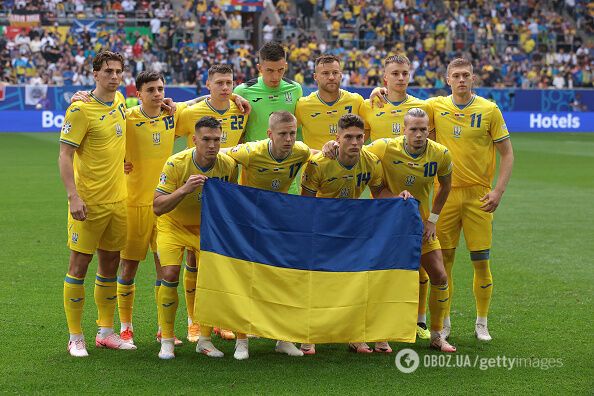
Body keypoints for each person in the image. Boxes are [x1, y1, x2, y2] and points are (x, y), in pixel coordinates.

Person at [301, 114, 409, 355]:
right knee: (318, 282)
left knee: (356, 281)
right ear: (337, 138)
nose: (355, 142)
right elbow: (306, 203)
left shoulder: (370, 161)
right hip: (323, 229)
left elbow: (379, 190)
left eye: (359, 137)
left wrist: (398, 198)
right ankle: (309, 335)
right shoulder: (319, 164)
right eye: (348, 137)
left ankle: (355, 336)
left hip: (353, 228)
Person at [426, 58, 514, 341]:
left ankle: (482, 322)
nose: (461, 80)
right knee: (445, 262)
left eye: (466, 75)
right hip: (446, 195)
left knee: (481, 261)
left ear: (473, 78)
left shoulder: (489, 110)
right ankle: (446, 321)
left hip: (479, 196)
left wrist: (498, 191)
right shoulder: (435, 106)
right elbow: (401, 102)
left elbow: (507, 153)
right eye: (456, 76)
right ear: (447, 79)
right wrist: (379, 91)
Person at [59, 50, 134, 357]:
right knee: (79, 266)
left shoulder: (120, 102)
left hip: (118, 201)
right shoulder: (80, 109)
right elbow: (64, 155)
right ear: (95, 75)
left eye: (118, 71)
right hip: (88, 204)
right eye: (107, 71)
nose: (114, 76)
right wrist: (73, 196)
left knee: (110, 265)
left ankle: (105, 331)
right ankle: (75, 336)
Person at [222, 111, 313, 359]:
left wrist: (330, 146)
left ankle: (284, 339)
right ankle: (242, 341)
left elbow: (316, 154)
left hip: (279, 222)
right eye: (283, 134)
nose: (288, 139)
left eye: (292, 133)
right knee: (247, 280)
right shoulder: (251, 151)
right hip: (248, 223)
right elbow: (219, 154)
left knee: (284, 278)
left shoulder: (301, 151)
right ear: (269, 134)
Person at [365, 108, 456, 352]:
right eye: (413, 129)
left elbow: (446, 186)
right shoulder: (384, 147)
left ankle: (437, 335)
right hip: (388, 227)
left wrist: (433, 220)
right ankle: (380, 335)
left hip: (421, 226)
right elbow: (355, 154)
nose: (418, 134)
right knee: (384, 280)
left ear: (429, 130)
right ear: (403, 130)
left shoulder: (440, 154)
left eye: (423, 129)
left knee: (440, 275)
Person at [153, 116, 238, 359]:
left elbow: (230, 200)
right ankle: (167, 340)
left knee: (208, 281)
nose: (212, 145)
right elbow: (157, 207)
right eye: (206, 140)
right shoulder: (176, 163)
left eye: (216, 139)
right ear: (194, 140)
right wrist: (184, 189)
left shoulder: (228, 165)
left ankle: (205, 339)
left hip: (206, 229)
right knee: (169, 275)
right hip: (173, 226)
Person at [361, 54, 433, 339]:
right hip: (380, 197)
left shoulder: (423, 107)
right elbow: (358, 142)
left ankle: (420, 320)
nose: (401, 78)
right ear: (385, 77)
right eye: (395, 73)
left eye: (405, 73)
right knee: (381, 263)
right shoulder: (369, 106)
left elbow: (432, 151)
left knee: (420, 262)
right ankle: (377, 324)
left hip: (416, 197)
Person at [116, 71, 188, 346]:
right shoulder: (127, 117)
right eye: (151, 90)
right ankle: (125, 327)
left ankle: (163, 329)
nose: (157, 94)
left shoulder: (172, 114)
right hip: (133, 203)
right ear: (139, 93)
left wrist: (237, 95)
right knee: (128, 266)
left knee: (166, 269)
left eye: (160, 89)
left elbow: (200, 102)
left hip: (165, 205)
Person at [233, 42, 302, 143]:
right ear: (259, 68)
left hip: (287, 156)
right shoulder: (242, 91)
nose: (275, 76)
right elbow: (237, 132)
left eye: (280, 70)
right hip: (254, 156)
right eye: (269, 70)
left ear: (285, 66)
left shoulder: (295, 89)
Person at [295, 54, 364, 151]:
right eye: (325, 73)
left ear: (341, 75)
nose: (331, 77)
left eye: (335, 73)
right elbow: (287, 135)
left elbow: (368, 130)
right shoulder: (302, 105)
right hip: (315, 165)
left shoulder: (356, 101)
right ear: (315, 77)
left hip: (349, 165)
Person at [178, 64, 249, 152]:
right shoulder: (190, 113)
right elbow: (169, 139)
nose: (225, 87)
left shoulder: (242, 111)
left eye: (229, 83)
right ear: (208, 84)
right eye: (219, 83)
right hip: (198, 166)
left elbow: (241, 141)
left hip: (229, 166)